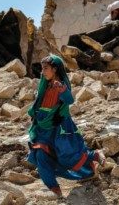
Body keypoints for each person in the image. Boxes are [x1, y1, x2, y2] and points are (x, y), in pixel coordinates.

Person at [27, 54, 105, 198]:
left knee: (68, 156)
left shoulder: (61, 85)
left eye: (46, 68)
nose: (42, 72)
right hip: (43, 129)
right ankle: (54, 188)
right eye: (42, 69)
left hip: (60, 128)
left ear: (55, 69)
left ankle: (94, 155)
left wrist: (62, 89)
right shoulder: (45, 84)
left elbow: (69, 100)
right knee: (40, 155)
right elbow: (40, 103)